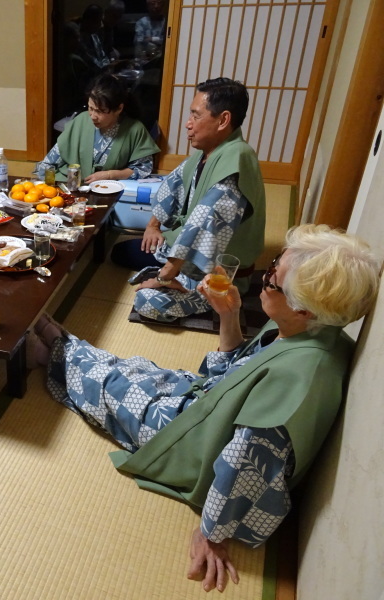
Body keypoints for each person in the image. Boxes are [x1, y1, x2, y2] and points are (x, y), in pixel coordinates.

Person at [33, 224, 380, 593]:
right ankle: (58, 346)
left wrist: (212, 533)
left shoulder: (299, 378)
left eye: (273, 280)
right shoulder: (312, 332)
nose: (265, 277)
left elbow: (243, 463)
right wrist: (228, 316)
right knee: (136, 367)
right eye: (275, 263)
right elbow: (234, 375)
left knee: (113, 388)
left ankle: (49, 351)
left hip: (186, 438)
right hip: (203, 403)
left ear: (305, 308)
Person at [112, 77, 266, 322]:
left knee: (148, 301)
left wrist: (164, 277)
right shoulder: (209, 151)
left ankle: (200, 294)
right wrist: (153, 226)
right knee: (121, 253)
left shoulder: (235, 161)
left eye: (196, 116)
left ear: (223, 120)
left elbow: (205, 225)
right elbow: (171, 186)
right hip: (185, 250)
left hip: (213, 275)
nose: (188, 124)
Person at [35, 72, 159, 183]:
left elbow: (143, 169)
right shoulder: (80, 121)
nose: (93, 116)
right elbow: (48, 163)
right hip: (72, 189)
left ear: (119, 109)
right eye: (90, 108)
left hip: (110, 193)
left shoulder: (135, 129)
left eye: (100, 111)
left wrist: (110, 175)